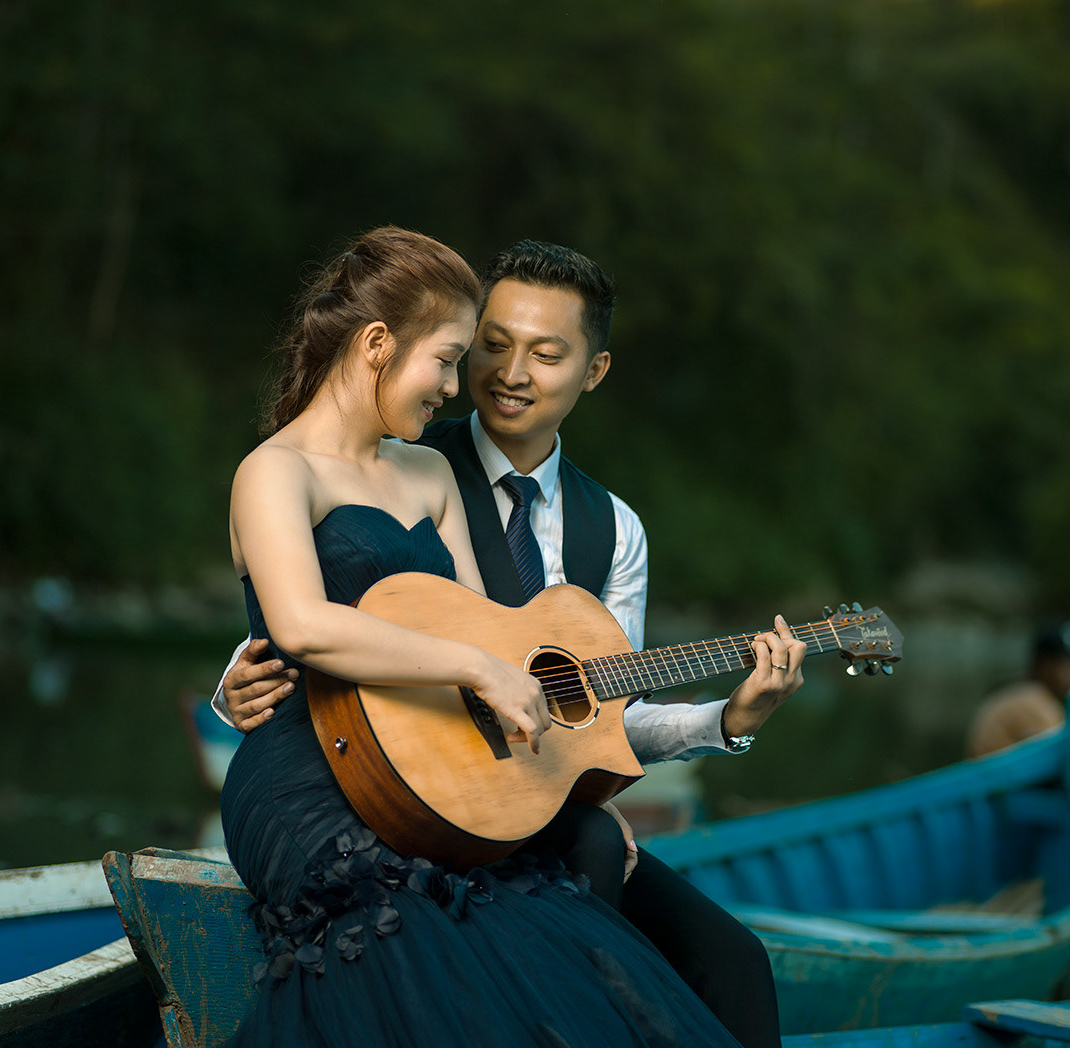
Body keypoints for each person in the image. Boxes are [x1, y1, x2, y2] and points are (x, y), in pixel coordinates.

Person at [218, 239, 797, 1047]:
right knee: (500, 925)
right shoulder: (336, 461)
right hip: (336, 766)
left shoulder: (592, 523)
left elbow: (495, 641)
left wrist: (718, 725)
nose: (487, 378)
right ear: (382, 344)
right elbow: (302, 622)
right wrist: (236, 682)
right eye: (477, 350)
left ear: (593, 370)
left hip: (480, 771)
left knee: (717, 953)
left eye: (546, 354)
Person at [966, 618, 1070, 758]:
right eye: (1068, 664)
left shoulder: (1021, 695)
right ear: (1044, 664)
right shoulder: (1033, 704)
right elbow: (1063, 756)